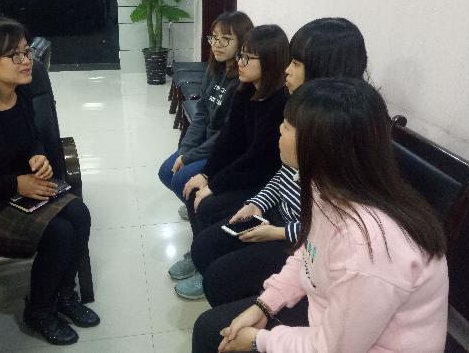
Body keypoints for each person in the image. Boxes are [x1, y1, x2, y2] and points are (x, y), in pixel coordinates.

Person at [193, 78, 449, 353]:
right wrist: (265, 304)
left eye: (287, 126)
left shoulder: (368, 248)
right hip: (331, 316)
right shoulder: (326, 186)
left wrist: (259, 341)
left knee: (211, 333)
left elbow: (333, 348)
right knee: (213, 321)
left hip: (357, 344)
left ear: (320, 145)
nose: (279, 129)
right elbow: (309, 252)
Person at [0, 14, 100, 346]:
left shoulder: (21, 93)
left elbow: (32, 140)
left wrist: (37, 156)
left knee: (79, 214)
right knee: (59, 233)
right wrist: (16, 183)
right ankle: (39, 310)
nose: (27, 61)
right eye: (15, 55)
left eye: (27, 51)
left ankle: (64, 295)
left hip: (22, 188)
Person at [186, 17, 370, 304]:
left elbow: (333, 225)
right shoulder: (300, 107)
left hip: (301, 238)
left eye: (295, 63)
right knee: (204, 247)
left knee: (218, 276)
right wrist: (257, 203)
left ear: (323, 68)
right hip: (278, 213)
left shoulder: (343, 132)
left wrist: (278, 231)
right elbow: (281, 172)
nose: (287, 69)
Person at [170, 24, 290, 298]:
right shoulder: (246, 90)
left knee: (208, 203)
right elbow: (228, 139)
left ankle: (208, 266)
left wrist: (215, 185)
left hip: (260, 179)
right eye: (241, 54)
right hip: (244, 171)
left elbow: (257, 160)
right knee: (193, 190)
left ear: (270, 61)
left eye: (248, 57)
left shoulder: (279, 102)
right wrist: (206, 175)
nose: (240, 62)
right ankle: (200, 254)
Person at [159, 11, 253, 221]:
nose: (217, 44)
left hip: (224, 149)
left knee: (180, 178)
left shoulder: (243, 81)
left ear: (242, 42)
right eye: (214, 38)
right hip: (207, 142)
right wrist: (185, 149)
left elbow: (227, 134)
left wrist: (190, 157)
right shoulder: (215, 69)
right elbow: (201, 114)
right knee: (166, 172)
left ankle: (202, 210)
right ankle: (196, 204)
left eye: (225, 39)